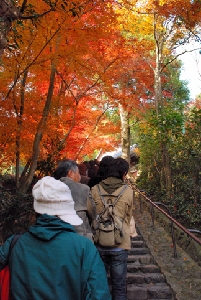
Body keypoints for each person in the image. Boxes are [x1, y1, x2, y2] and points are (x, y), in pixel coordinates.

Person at [0, 176, 112, 300]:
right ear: (66, 210)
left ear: (36, 210)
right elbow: (99, 294)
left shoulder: (14, 244)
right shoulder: (84, 247)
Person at [90, 157, 134, 300]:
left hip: (99, 243)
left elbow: (91, 214)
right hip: (120, 244)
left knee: (98, 286)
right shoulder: (128, 191)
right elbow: (128, 216)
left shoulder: (95, 189)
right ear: (123, 173)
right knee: (119, 287)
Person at [54, 159, 96, 240]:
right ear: (70, 173)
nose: (79, 176)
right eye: (78, 173)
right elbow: (93, 214)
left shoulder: (49, 189)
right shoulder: (83, 188)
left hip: (56, 237)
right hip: (80, 238)